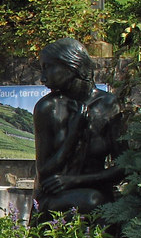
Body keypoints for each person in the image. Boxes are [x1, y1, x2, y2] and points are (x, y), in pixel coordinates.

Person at [31, 38, 124, 219]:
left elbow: (124, 165)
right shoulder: (47, 108)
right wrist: (73, 133)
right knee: (93, 201)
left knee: (100, 202)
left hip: (96, 191)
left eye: (48, 67)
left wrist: (73, 181)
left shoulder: (108, 105)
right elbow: (44, 173)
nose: (43, 78)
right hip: (54, 197)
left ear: (71, 66)